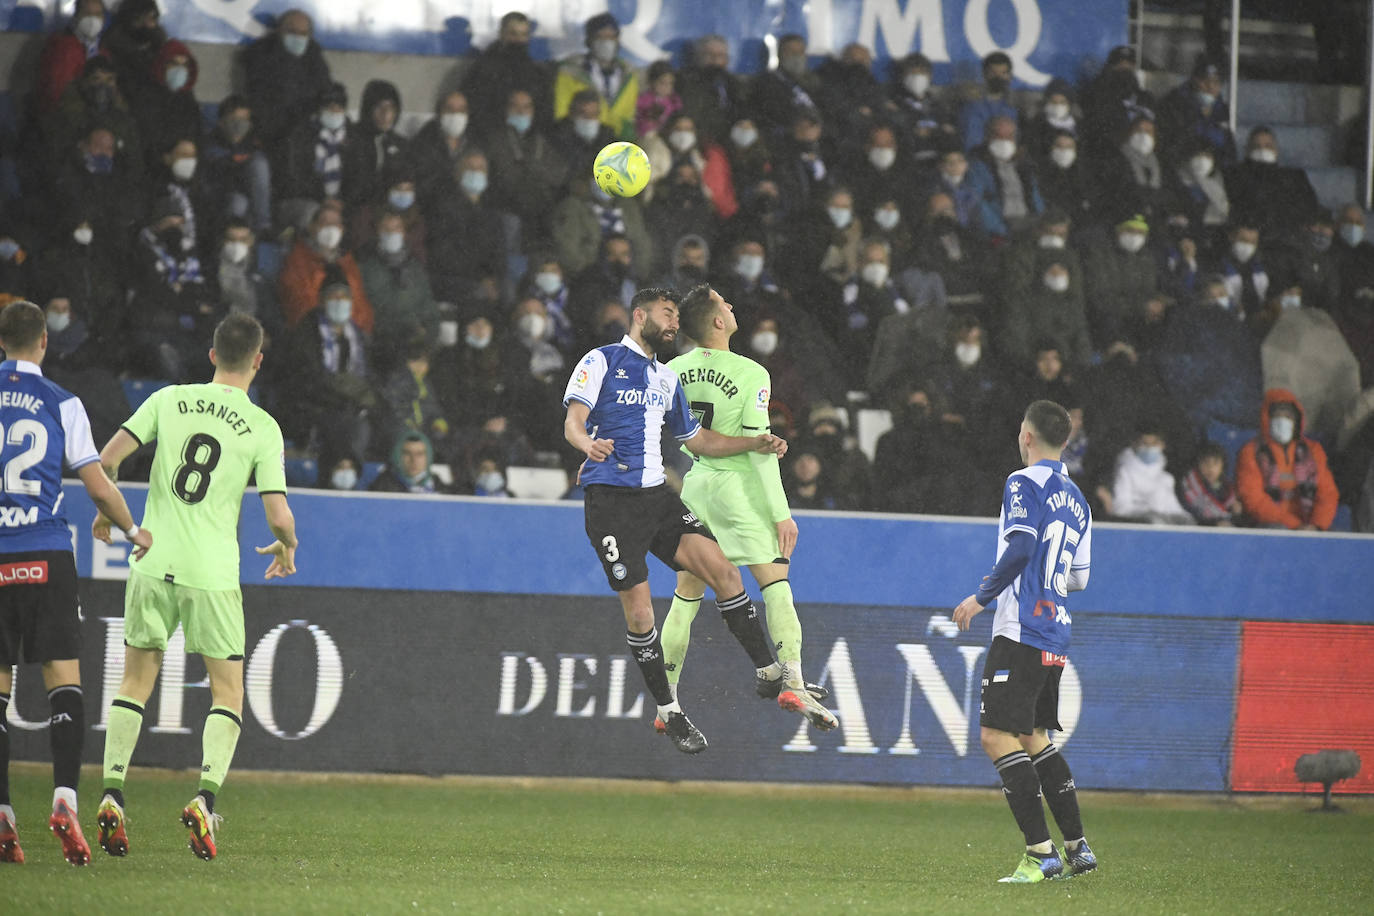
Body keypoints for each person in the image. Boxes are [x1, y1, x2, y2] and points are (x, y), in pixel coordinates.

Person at [92, 313, 297, 862]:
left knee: (135, 681)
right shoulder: (262, 426)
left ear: (211, 355)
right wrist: (287, 543)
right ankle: (206, 799)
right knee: (227, 691)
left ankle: (112, 791)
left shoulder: (168, 399)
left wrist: (109, 513)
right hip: (212, 574)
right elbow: (276, 511)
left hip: (152, 559)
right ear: (257, 360)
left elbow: (106, 459)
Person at [561, 287, 790, 754]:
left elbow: (699, 441)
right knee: (642, 612)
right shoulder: (601, 361)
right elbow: (574, 420)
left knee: (723, 571)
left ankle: (769, 672)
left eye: (675, 317)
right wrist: (587, 446)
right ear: (640, 314)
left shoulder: (667, 379)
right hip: (611, 505)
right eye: (666, 314)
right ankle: (670, 712)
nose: (672, 323)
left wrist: (755, 443)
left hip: (658, 498)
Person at [0, 300, 152, 867]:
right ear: (44, 343)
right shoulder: (62, 403)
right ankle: (65, 797)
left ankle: (3, 812)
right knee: (64, 680)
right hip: (44, 552)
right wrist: (133, 529)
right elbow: (97, 484)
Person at [662, 285, 838, 731]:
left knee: (686, 596)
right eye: (725, 303)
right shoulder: (751, 372)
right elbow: (760, 449)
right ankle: (793, 679)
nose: (732, 306)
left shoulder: (673, 370)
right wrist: (781, 512)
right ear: (718, 322)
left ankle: (666, 704)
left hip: (695, 484)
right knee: (775, 582)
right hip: (737, 488)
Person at [952, 399, 1096, 884]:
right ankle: (1077, 847)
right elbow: (1080, 578)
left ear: (1027, 436)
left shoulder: (1022, 481)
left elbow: (1023, 544)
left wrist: (981, 596)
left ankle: (1041, 854)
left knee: (994, 735)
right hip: (1056, 628)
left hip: (1021, 628)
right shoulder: (1078, 499)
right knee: (1035, 736)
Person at [1235, 389, 1339, 530]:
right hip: (1270, 526)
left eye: (1288, 416)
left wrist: (1317, 525)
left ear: (1297, 420)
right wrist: (1295, 526)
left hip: (1311, 527)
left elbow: (1328, 493)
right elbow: (1253, 500)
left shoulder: (1314, 451)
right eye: (1277, 416)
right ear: (1267, 419)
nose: (1283, 421)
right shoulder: (1250, 451)